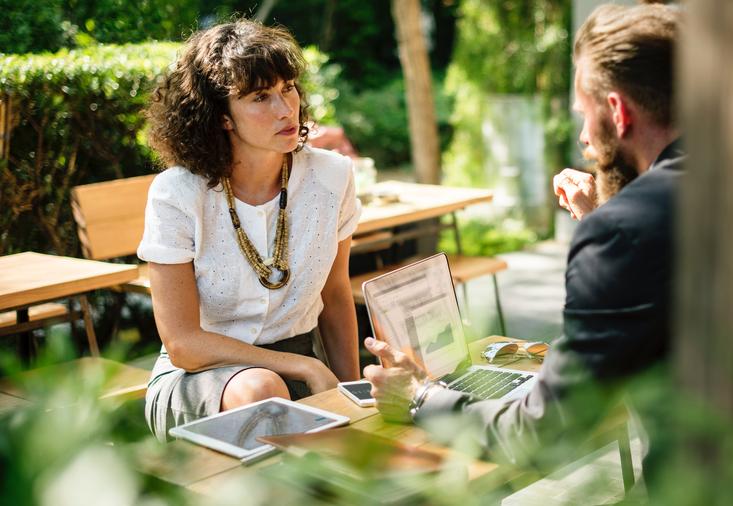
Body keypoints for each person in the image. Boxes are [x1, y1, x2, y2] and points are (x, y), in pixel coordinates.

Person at [362, 3, 683, 466]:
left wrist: (419, 399)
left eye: (583, 115)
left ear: (617, 111)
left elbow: (544, 432)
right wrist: (604, 216)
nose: (584, 139)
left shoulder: (620, 233)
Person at [139, 19, 361, 441]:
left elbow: (335, 295)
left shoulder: (333, 176)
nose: (285, 108)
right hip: (203, 379)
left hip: (303, 365)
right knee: (263, 390)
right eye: (261, 97)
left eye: (288, 88)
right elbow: (184, 343)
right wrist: (306, 367)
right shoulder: (177, 193)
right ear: (222, 117)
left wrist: (352, 394)